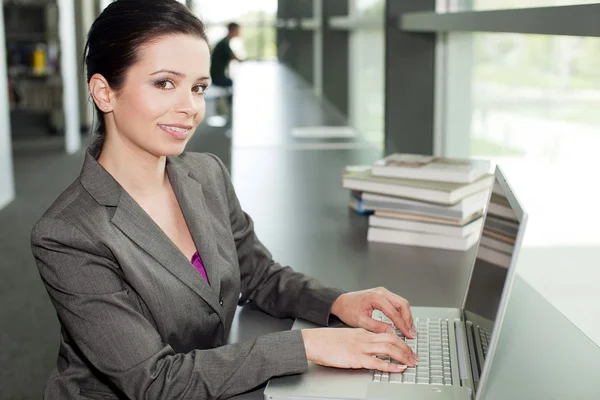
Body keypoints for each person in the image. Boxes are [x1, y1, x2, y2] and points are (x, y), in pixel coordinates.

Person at [30, 1, 418, 399]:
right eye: (165, 83)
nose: (190, 107)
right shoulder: (68, 233)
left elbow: (258, 275)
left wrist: (338, 302)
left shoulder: (206, 173)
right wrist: (307, 346)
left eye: (197, 87)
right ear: (104, 92)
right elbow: (154, 382)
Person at [210, 22, 241, 89]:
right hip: (217, 77)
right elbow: (234, 57)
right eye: (238, 30)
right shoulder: (224, 43)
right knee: (232, 82)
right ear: (233, 30)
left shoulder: (225, 42)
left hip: (217, 75)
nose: (239, 32)